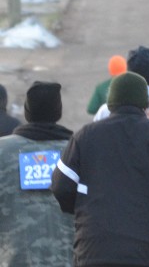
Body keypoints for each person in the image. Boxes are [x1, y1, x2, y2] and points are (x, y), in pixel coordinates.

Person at [51, 73, 149, 266]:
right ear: (145, 106)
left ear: (110, 103)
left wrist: (85, 210)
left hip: (95, 250)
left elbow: (61, 186)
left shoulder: (84, 137)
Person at [0, 82, 73, 265]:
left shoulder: (3, 150)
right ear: (58, 111)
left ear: (27, 112)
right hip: (68, 259)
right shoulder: (78, 151)